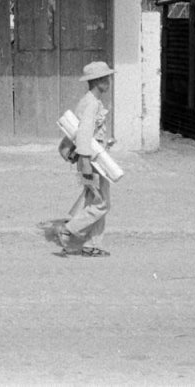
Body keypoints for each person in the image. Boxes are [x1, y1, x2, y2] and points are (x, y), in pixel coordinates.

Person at [56, 61, 115, 258]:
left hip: (95, 157)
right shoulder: (91, 103)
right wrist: (86, 163)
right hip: (91, 161)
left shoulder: (92, 101)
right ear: (98, 81)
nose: (109, 80)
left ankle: (92, 245)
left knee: (94, 200)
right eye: (106, 78)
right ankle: (69, 229)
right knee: (101, 204)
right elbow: (83, 135)